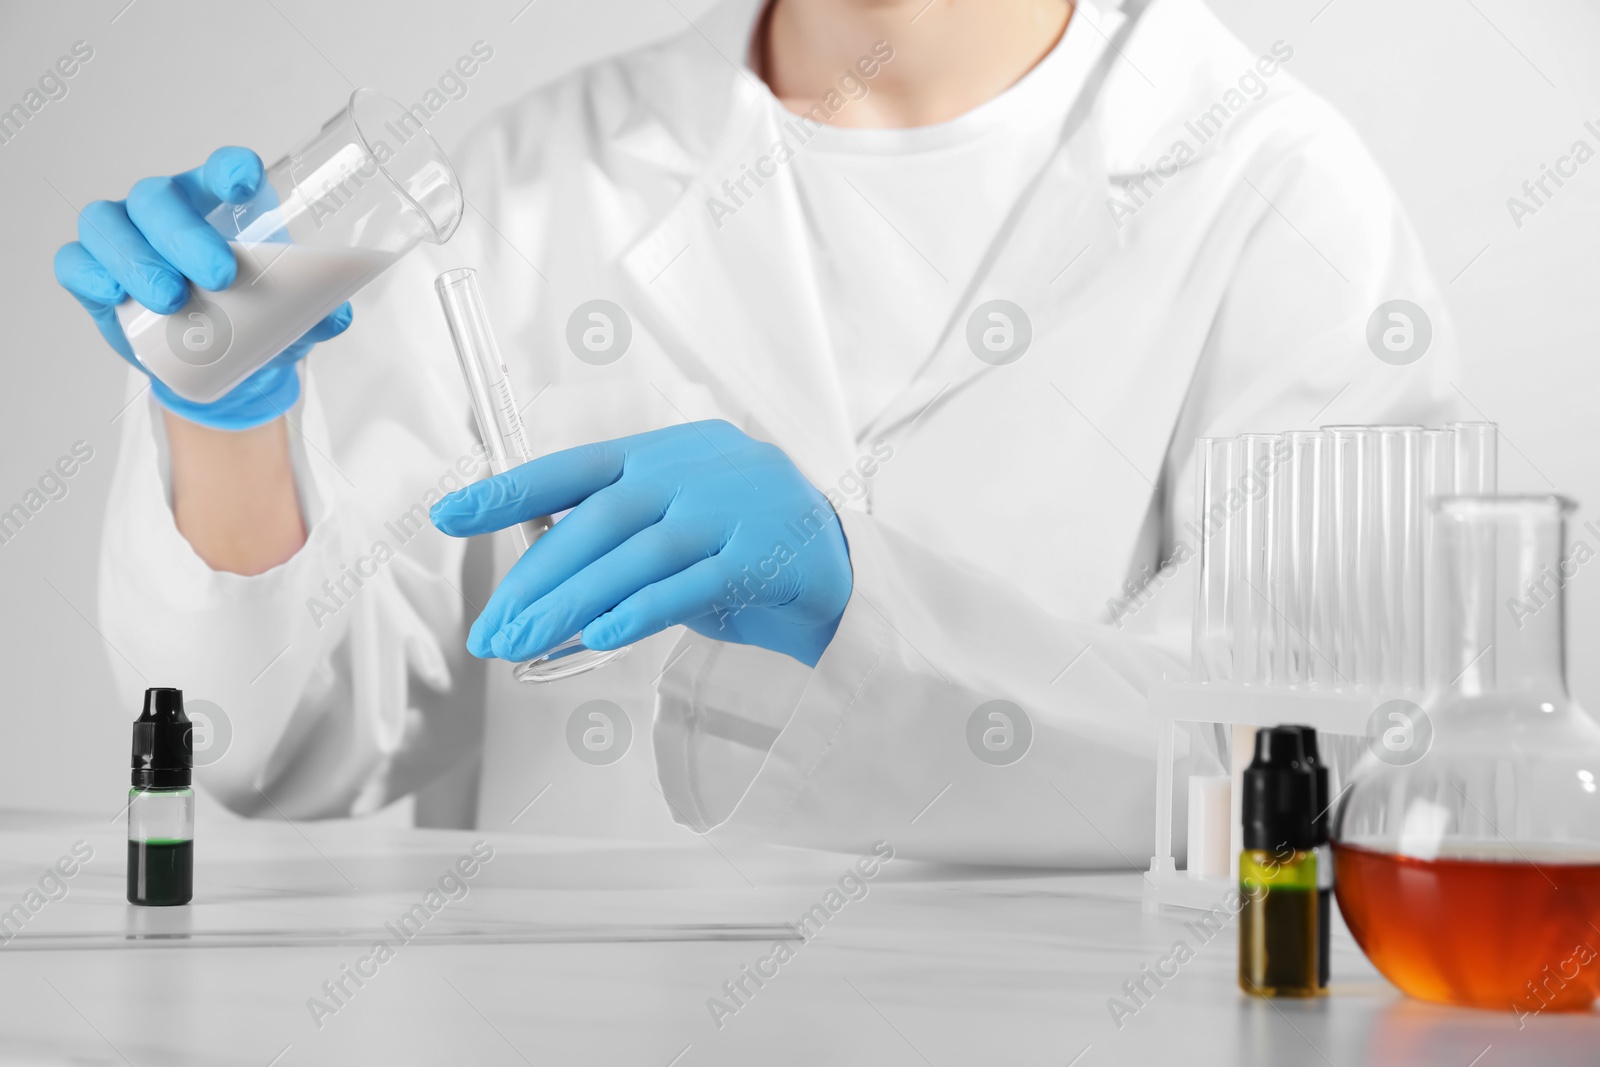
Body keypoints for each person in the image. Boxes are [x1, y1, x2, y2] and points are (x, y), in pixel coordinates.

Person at [55, 0, 1455, 864]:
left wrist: (867, 611)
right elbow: (283, 747)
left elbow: (1304, 778)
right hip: (581, 1034)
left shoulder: (1277, 194)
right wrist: (221, 411)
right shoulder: (541, 176)